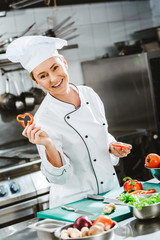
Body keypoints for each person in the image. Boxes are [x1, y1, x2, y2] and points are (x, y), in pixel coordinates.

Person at [6, 36, 132, 208]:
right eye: (43, 76)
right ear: (36, 82)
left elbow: (100, 132)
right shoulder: (43, 119)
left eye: (55, 67)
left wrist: (111, 145)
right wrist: (48, 144)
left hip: (110, 193)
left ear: (64, 62)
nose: (53, 78)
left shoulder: (89, 94)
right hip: (76, 205)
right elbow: (59, 178)